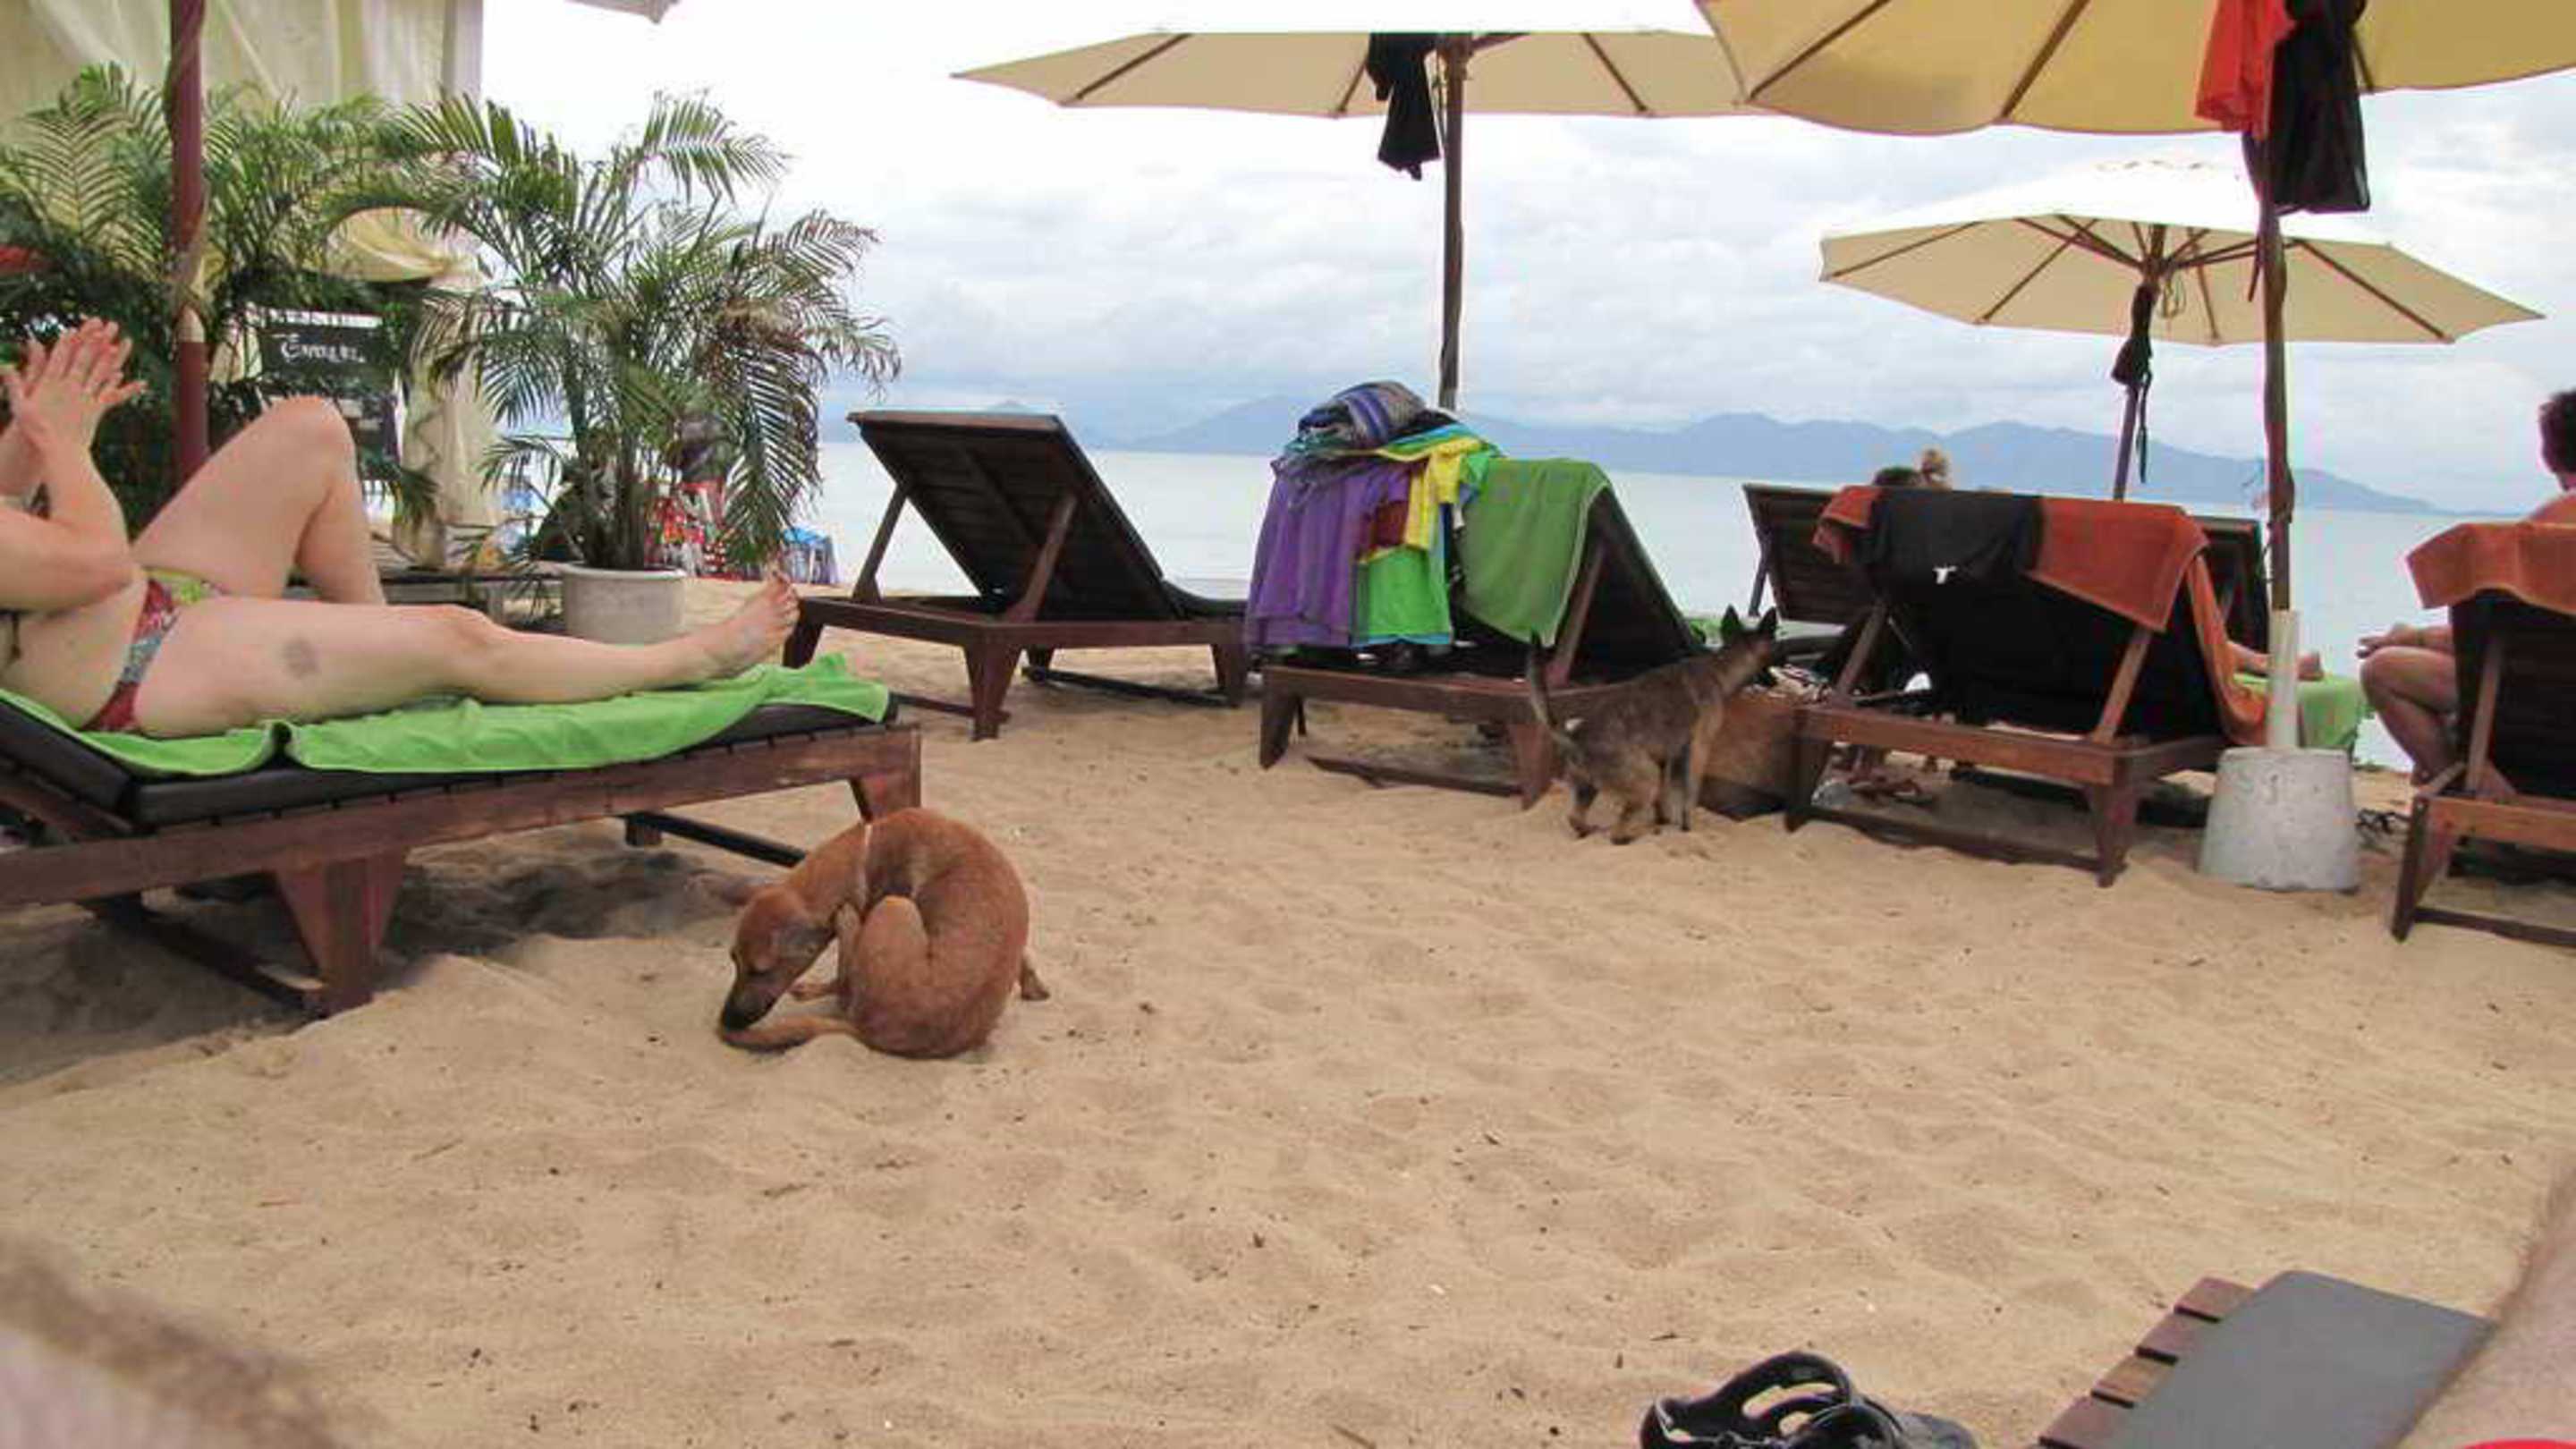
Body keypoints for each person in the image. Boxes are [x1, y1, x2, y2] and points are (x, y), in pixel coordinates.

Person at [0, 319, 796, 739]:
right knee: (457, 634)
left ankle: (378, 650)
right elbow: (96, 565)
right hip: (135, 671)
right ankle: (689, 657)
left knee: (310, 428)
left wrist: (28, 436)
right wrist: (63, 443)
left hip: (150, 608)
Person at [2358, 389, 2576, 784]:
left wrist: (2415, 638)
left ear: (2549, 455)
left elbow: (2486, 646)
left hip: (2539, 709)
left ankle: (2472, 789)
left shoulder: (2535, 539)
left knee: (2384, 670)